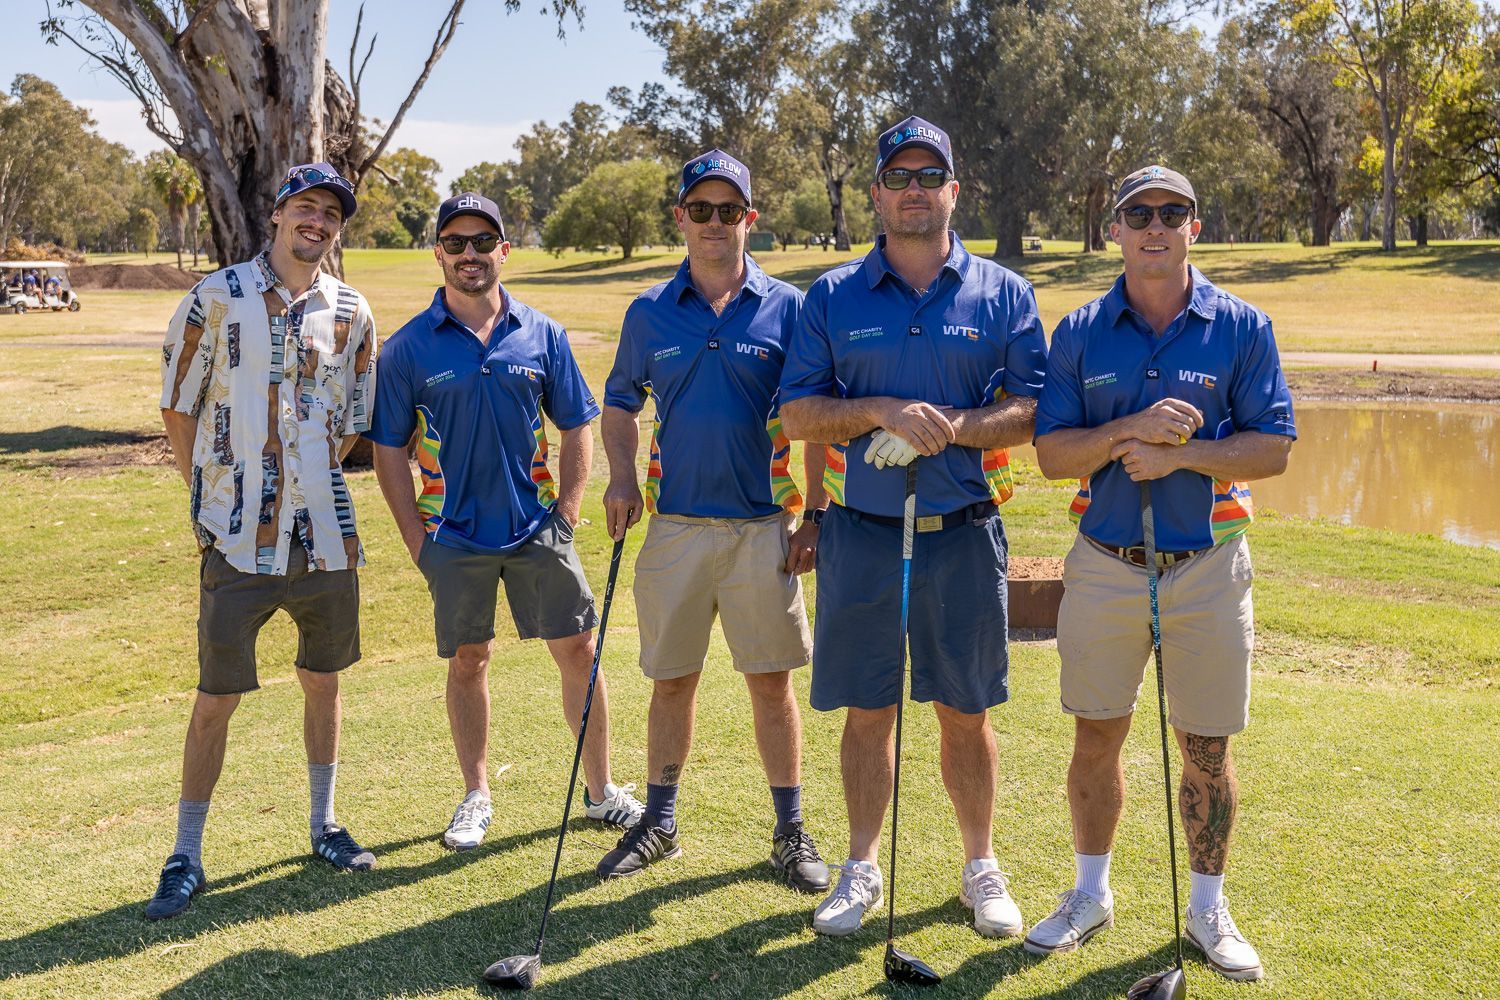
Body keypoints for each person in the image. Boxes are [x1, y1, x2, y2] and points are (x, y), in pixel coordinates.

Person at [778, 116, 1048, 938]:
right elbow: (798, 413)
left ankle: (980, 866)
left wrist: (953, 427)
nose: (914, 190)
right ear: (876, 194)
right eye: (898, 177)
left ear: (954, 191)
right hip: (862, 533)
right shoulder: (832, 296)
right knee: (869, 710)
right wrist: (879, 411)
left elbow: (1032, 410)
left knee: (966, 710)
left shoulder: (1003, 292)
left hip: (963, 532)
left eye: (930, 176)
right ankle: (861, 867)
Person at [1027, 165, 1295, 982]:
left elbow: (1273, 449)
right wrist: (1128, 431)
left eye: (1171, 213)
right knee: (1096, 736)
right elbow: (1050, 454)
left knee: (1205, 748)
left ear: (1193, 228)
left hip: (1207, 567)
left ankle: (1207, 908)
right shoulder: (1079, 331)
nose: (1155, 226)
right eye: (1138, 213)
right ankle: (1090, 894)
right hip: (1106, 565)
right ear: (1114, 228)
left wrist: (1183, 455)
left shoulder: (1241, 326)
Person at [368, 192, 643, 851]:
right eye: (455, 243)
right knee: (470, 659)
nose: (470, 254)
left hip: (536, 529)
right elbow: (387, 450)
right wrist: (416, 540)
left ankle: (600, 791)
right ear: (438, 253)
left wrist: (568, 510)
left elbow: (576, 424)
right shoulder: (407, 348)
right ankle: (476, 795)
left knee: (579, 650)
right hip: (453, 536)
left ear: (504, 250)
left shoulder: (542, 334)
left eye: (482, 242)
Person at [595, 149, 830, 892]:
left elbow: (814, 416)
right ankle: (659, 821)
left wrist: (816, 513)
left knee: (770, 684)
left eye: (729, 210)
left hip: (764, 528)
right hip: (676, 529)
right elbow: (620, 404)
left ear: (749, 219)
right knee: (672, 682)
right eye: (701, 209)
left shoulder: (790, 308)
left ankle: (789, 831)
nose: (715, 222)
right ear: (681, 218)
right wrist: (622, 477)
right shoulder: (648, 312)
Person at [148, 161, 378, 919]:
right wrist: (207, 504)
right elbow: (179, 406)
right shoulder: (217, 297)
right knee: (216, 698)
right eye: (305, 207)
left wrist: (308, 480)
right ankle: (186, 855)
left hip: (326, 541)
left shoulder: (352, 311)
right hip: (237, 540)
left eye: (331, 213)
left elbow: (353, 423)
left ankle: (324, 825)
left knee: (324, 681)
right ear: (276, 214)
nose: (318, 221)